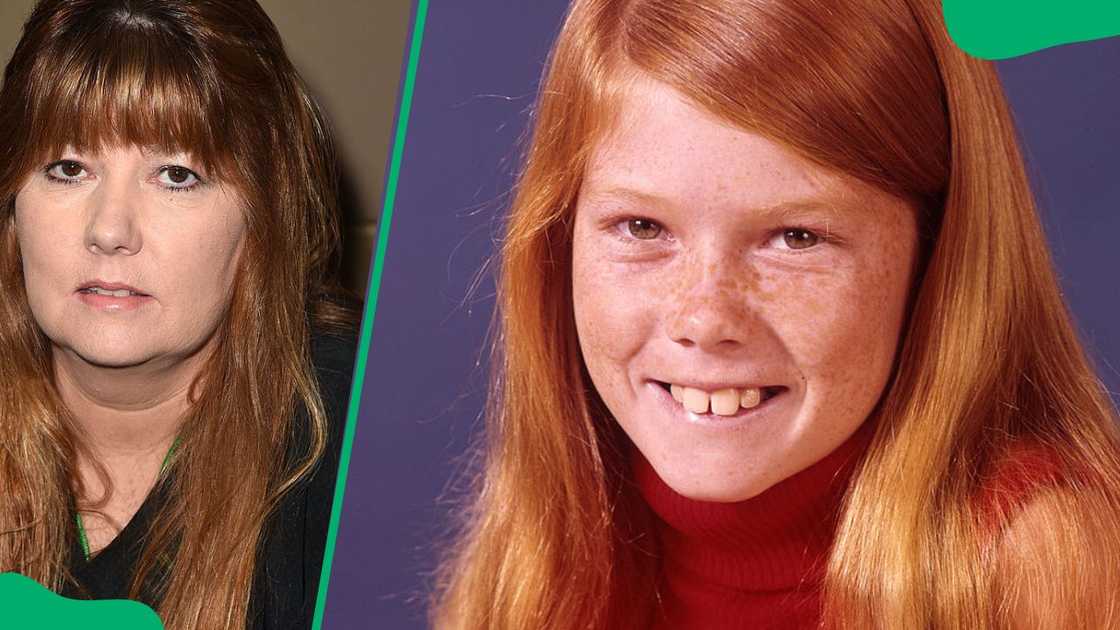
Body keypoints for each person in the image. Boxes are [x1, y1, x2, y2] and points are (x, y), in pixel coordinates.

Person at [433, 0, 1120, 628]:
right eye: (642, 227)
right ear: (559, 239)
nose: (703, 318)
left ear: (935, 254)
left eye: (797, 237)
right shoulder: (534, 558)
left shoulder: (1043, 572)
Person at [0, 1, 358, 629]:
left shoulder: (364, 431)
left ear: (263, 218)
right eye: (68, 168)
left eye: (176, 174)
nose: (110, 230)